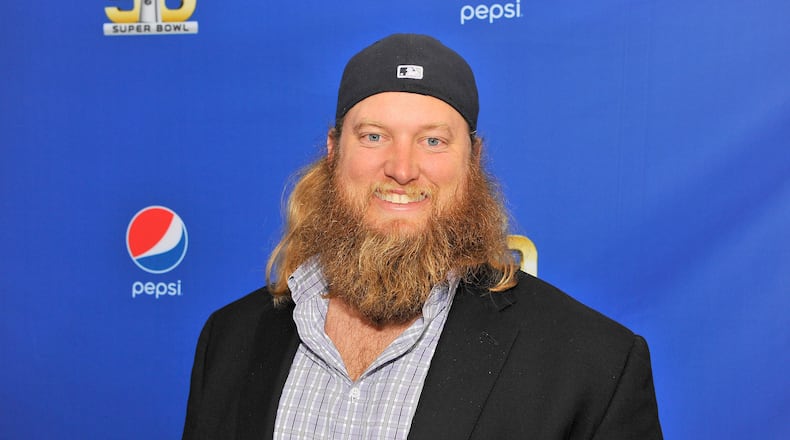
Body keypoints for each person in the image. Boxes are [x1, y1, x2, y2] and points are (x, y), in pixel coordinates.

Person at [182, 33, 663, 439]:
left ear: (472, 160)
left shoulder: (594, 365)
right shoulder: (229, 342)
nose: (402, 168)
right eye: (373, 136)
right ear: (333, 151)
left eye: (432, 140)